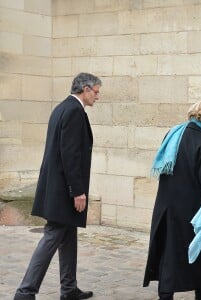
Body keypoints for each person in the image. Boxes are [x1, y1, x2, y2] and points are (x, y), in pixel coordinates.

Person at [13, 72, 101, 300]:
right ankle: (25, 292)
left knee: (68, 236)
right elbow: (69, 154)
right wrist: (78, 190)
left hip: (58, 188)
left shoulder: (63, 108)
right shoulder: (73, 111)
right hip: (64, 190)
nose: (98, 97)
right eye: (96, 91)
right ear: (85, 89)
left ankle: (69, 288)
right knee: (52, 237)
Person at [143, 99, 201, 300]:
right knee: (199, 256)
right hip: (192, 209)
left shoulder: (173, 134)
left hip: (167, 205)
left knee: (169, 254)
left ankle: (166, 294)